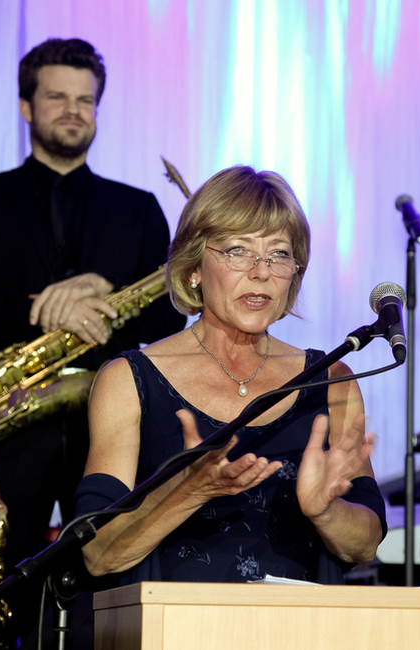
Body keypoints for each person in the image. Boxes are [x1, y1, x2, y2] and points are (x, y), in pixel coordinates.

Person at [0, 38, 186, 641]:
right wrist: (40, 311)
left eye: (86, 100)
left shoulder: (141, 207)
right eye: (57, 97)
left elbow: (168, 325)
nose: (74, 109)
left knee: (107, 586)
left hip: (113, 426)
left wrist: (105, 299)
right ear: (25, 107)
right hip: (11, 424)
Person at [74, 165, 387, 586]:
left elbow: (364, 544)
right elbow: (96, 554)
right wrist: (189, 490)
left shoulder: (331, 379)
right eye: (238, 250)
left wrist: (326, 512)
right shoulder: (129, 380)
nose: (261, 271)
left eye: (279, 253)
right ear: (193, 268)